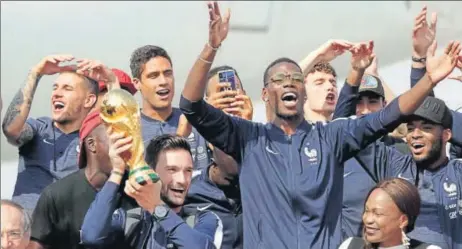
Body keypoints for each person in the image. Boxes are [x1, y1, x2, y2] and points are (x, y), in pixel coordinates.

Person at [179, 2, 459, 248]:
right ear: (265, 94)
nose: (289, 82)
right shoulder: (248, 137)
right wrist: (211, 47)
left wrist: (428, 80)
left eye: (296, 79)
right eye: (279, 79)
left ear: (302, 93)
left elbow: (388, 116)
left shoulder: (332, 137)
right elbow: (191, 105)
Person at [81, 134, 220, 249]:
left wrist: (157, 208)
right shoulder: (129, 220)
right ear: (151, 172)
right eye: (172, 170)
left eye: (188, 170)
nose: (182, 180)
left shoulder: (204, 219)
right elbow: (91, 237)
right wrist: (117, 171)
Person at [26, 110, 137, 249]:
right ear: (91, 144)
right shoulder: (57, 196)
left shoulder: (138, 190)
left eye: (128, 138)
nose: (125, 146)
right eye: (116, 140)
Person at [1, 54, 98, 213]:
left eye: (67, 88)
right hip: (23, 233)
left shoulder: (95, 139)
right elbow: (11, 129)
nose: (57, 94)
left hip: (67, 234)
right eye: (55, 87)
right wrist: (35, 73)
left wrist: (113, 83)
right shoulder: (39, 128)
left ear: (88, 100)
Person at [129, 45, 210, 173]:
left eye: (168, 74)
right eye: (153, 76)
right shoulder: (129, 130)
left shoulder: (193, 120)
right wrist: (179, 138)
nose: (163, 81)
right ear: (137, 83)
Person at [339, 178, 441, 249]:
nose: (368, 219)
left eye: (378, 214)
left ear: (403, 221)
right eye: (366, 210)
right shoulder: (350, 245)